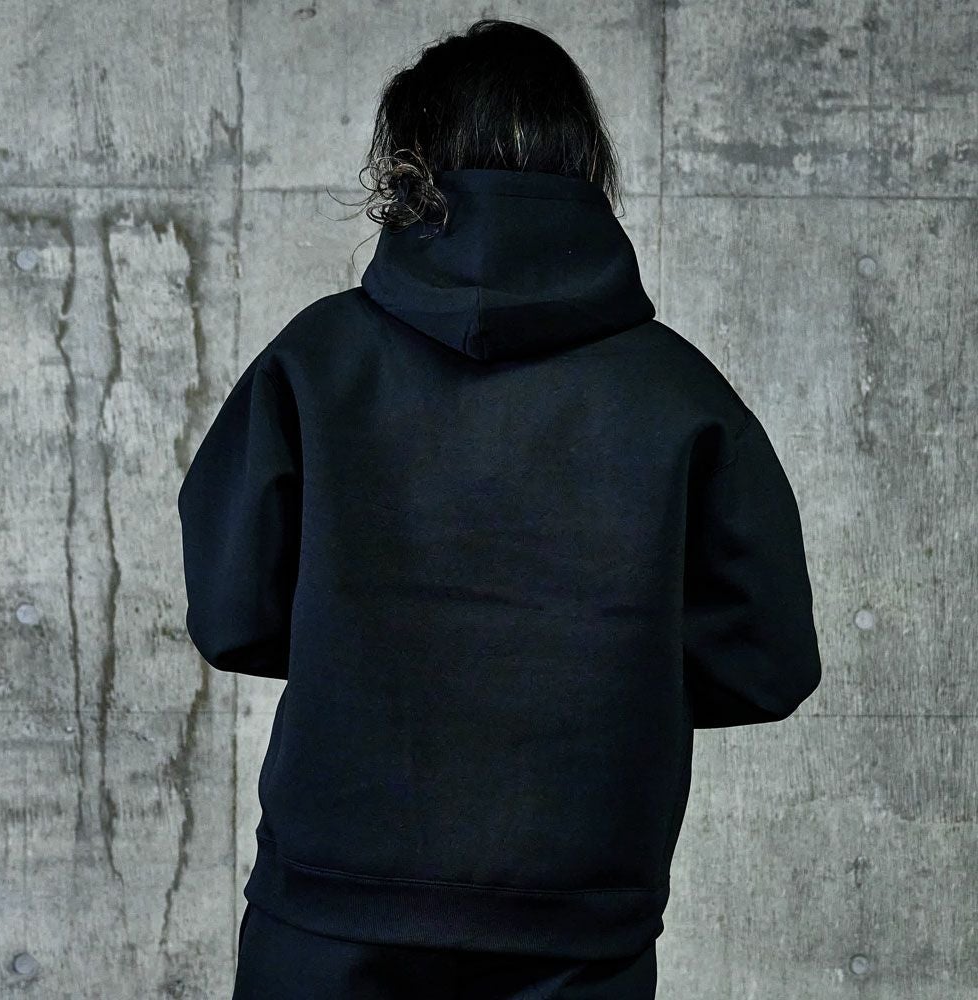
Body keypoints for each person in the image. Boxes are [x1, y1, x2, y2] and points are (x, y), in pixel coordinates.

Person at [177, 17, 822, 1000]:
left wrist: (361, 642)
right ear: (583, 161)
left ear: (410, 162)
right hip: (576, 917)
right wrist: (610, 671)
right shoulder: (677, 391)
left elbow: (233, 615)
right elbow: (764, 662)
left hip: (333, 903)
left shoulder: (315, 360)